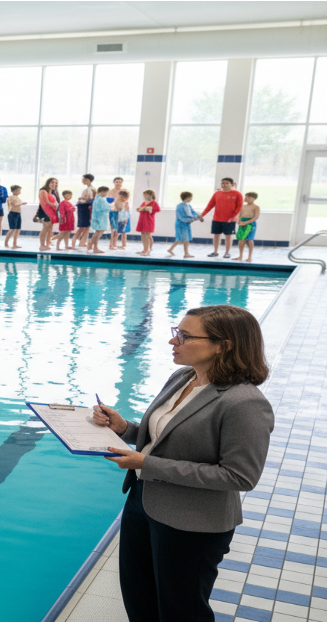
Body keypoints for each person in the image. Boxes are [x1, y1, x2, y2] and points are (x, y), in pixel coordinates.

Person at [93, 305, 273, 622]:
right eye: (177, 332)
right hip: (142, 502)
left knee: (181, 611)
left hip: (192, 522)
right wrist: (124, 429)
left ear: (223, 345)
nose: (173, 341)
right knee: (139, 601)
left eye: (185, 336)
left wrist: (147, 464)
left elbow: (240, 476)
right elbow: (165, 437)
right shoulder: (183, 377)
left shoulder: (244, 402)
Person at [199, 178, 244, 258]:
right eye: (223, 183)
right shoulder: (217, 193)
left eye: (227, 183)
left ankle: (227, 252)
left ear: (232, 184)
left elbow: (239, 207)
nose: (224, 184)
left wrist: (234, 216)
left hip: (229, 219)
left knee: (228, 235)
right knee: (216, 235)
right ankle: (215, 252)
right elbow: (210, 205)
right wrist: (202, 214)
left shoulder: (237, 194)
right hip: (217, 218)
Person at [167, 192, 200, 258]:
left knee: (182, 239)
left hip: (186, 224)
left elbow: (193, 212)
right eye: (190, 197)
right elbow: (182, 217)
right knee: (185, 239)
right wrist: (194, 218)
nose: (191, 199)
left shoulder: (188, 205)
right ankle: (186, 253)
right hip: (181, 224)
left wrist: (198, 216)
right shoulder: (180, 206)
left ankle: (170, 249)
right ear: (187, 198)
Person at [234, 192, 260, 263]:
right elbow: (239, 214)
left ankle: (249, 257)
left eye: (249, 197)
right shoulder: (242, 206)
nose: (247, 199)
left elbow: (256, 217)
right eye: (246, 197)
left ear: (254, 198)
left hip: (250, 224)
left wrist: (246, 222)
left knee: (250, 240)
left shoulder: (256, 207)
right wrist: (238, 221)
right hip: (242, 222)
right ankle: (240, 256)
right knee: (241, 240)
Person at [36, 177, 60, 251]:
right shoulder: (43, 191)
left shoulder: (53, 193)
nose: (54, 184)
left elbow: (55, 203)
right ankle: (42, 245)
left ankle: (47, 243)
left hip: (51, 213)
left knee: (49, 229)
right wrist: (54, 204)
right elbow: (45, 202)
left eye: (55, 183)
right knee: (45, 229)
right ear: (48, 183)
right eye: (52, 182)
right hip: (45, 212)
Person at [135, 189, 161, 256]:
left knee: (147, 234)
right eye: (144, 195)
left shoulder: (154, 203)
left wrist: (149, 208)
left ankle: (148, 249)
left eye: (146, 195)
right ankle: (144, 249)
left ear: (151, 195)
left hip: (149, 220)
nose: (145, 196)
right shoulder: (144, 203)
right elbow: (139, 209)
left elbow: (158, 209)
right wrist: (141, 209)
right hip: (142, 219)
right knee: (143, 234)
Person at [87, 185, 112, 255]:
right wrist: (110, 206)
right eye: (106, 192)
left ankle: (91, 244)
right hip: (100, 218)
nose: (106, 194)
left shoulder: (97, 198)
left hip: (98, 217)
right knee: (98, 232)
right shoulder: (100, 199)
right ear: (102, 192)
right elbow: (104, 208)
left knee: (99, 231)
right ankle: (94, 247)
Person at [74, 174, 96, 248]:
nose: (83, 181)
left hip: (85, 209)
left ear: (88, 180)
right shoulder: (88, 189)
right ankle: (79, 242)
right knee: (84, 227)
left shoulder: (91, 189)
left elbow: (90, 199)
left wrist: (82, 200)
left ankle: (82, 242)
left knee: (85, 227)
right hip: (84, 208)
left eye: (84, 179)